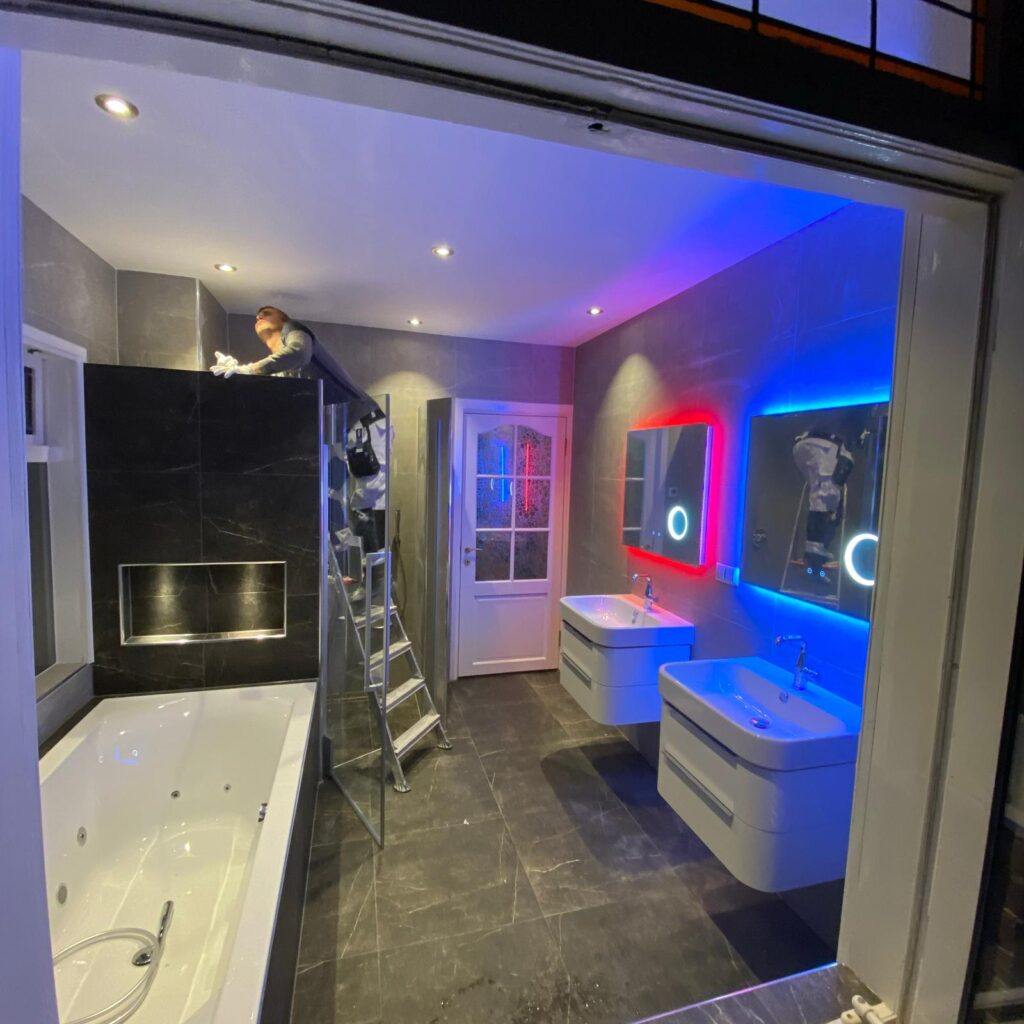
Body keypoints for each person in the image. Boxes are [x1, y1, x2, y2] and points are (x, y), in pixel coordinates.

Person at [210, 305, 378, 417]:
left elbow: (298, 353)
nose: (259, 316)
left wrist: (250, 369)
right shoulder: (281, 365)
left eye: (266, 313)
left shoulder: (292, 328)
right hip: (341, 420)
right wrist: (236, 374)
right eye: (257, 317)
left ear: (283, 319)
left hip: (363, 416)